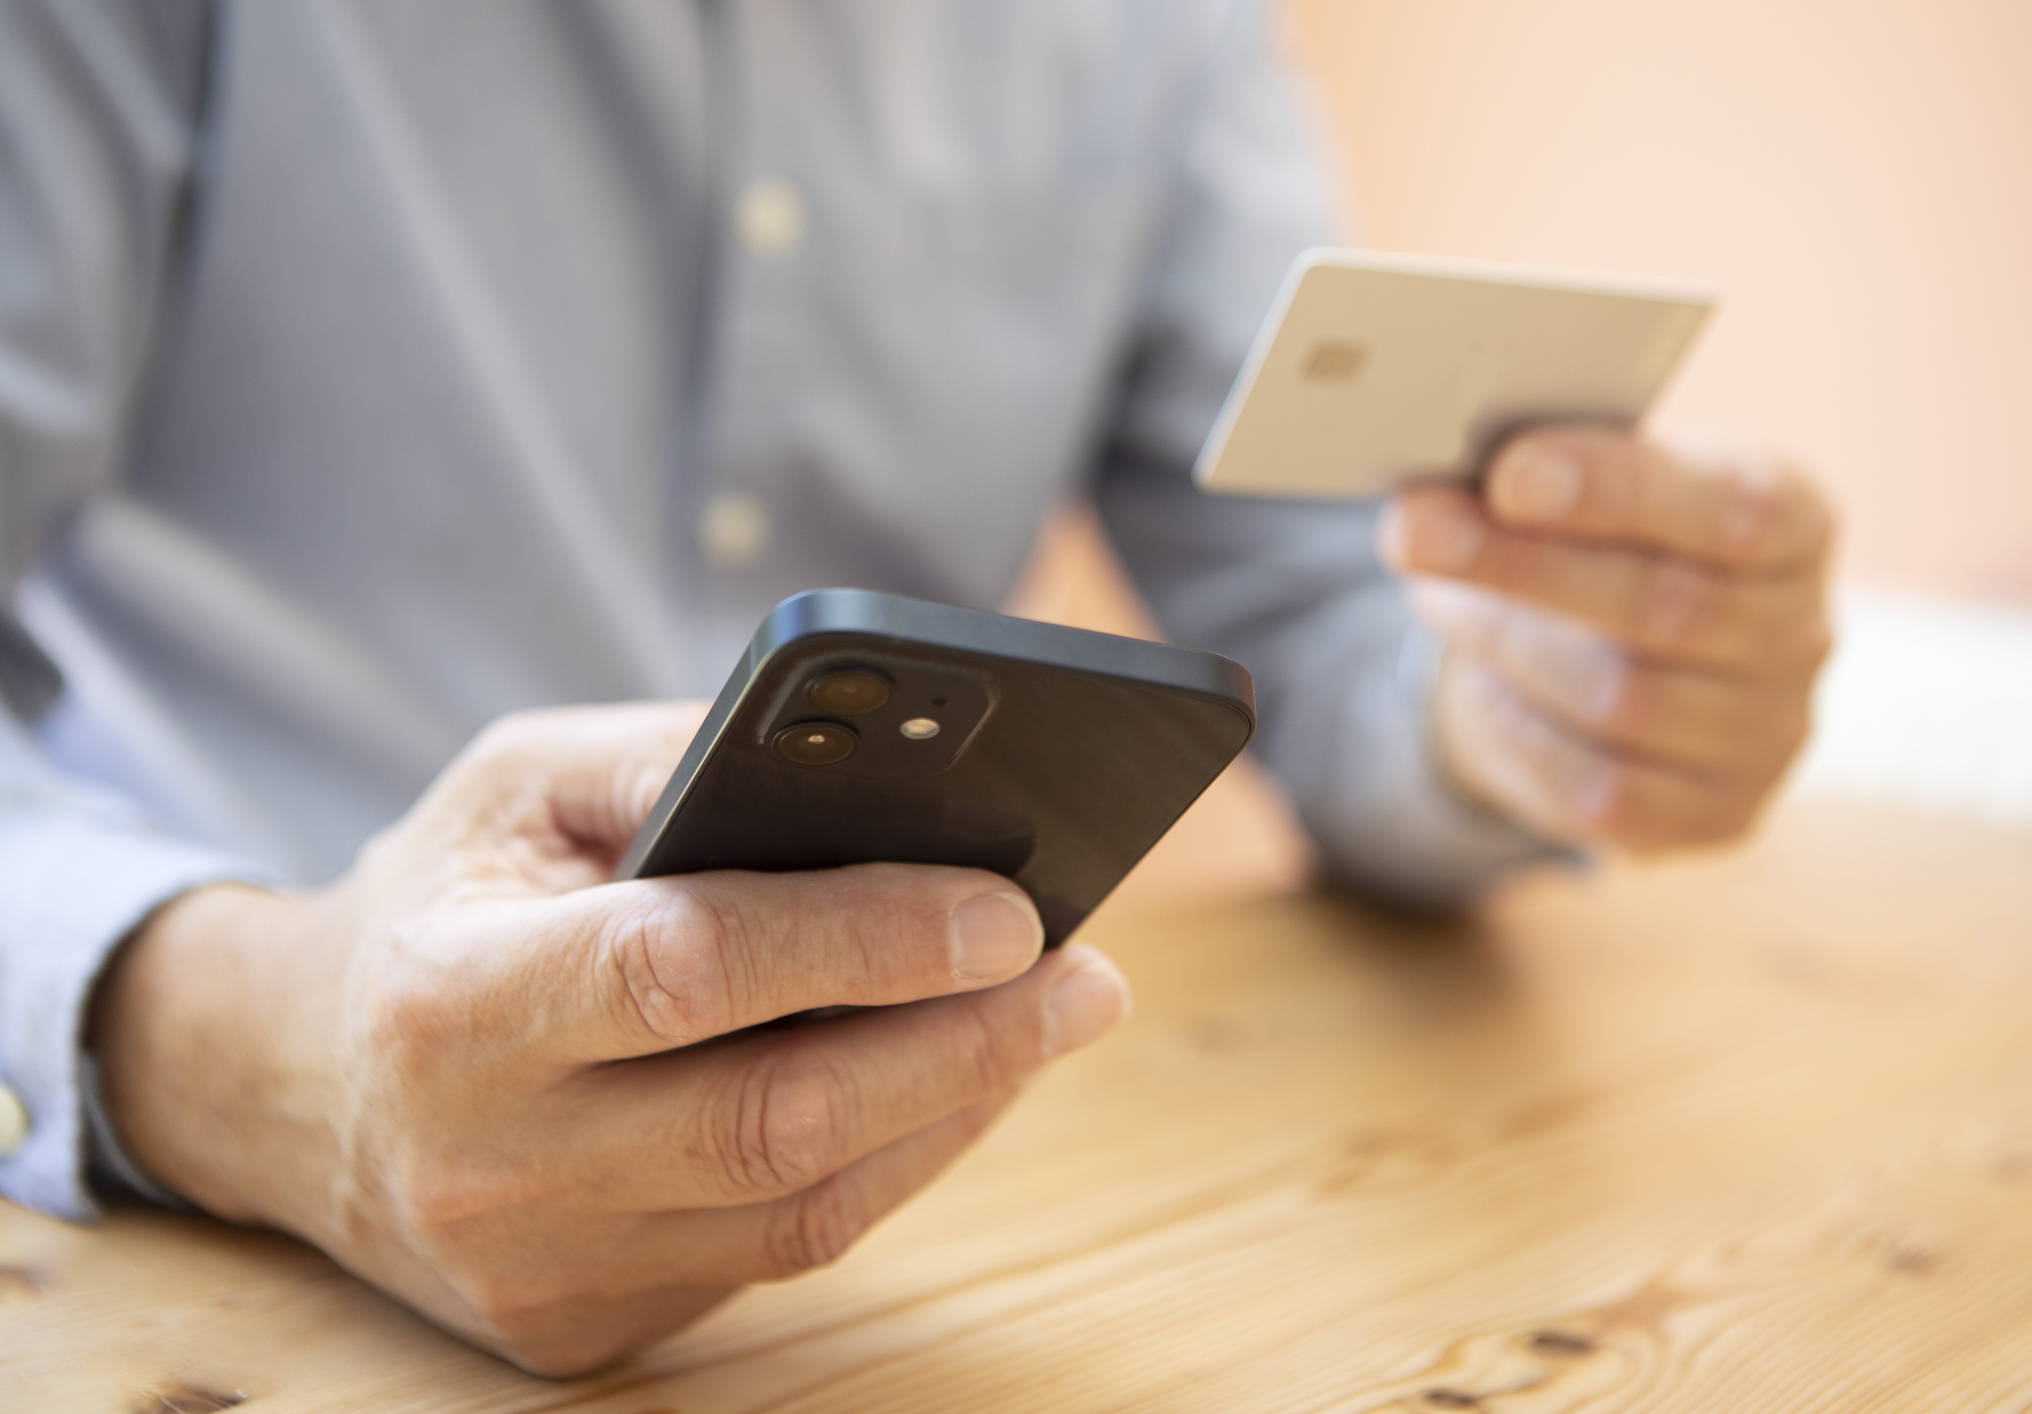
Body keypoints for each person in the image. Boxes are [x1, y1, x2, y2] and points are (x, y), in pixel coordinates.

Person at [0, 0, 1833, 1376]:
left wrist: (1541, 708)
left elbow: (1326, 624)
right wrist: (235, 1052)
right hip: (163, 1232)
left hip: (909, 1237)